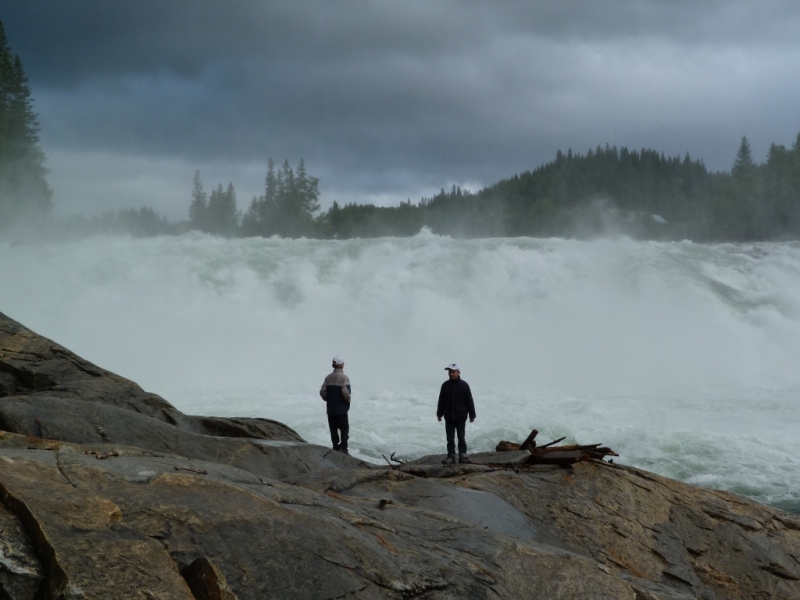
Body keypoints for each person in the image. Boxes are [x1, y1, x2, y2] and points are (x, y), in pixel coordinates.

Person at [436, 363, 476, 464]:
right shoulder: (445, 385)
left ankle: (462, 455)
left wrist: (472, 415)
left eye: (453, 372)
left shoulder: (464, 385)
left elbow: (469, 401)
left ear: (458, 373)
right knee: (450, 438)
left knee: (461, 437)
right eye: (450, 372)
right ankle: (451, 456)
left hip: (461, 416)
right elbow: (441, 401)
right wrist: (439, 414)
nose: (451, 374)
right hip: (449, 416)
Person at [320, 356, 351, 454]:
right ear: (341, 365)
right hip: (341, 409)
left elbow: (322, 392)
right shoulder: (344, 378)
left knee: (333, 430)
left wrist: (328, 399)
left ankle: (335, 447)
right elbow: (346, 393)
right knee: (344, 429)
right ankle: (344, 449)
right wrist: (347, 401)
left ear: (333, 365)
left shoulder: (328, 377)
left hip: (331, 409)